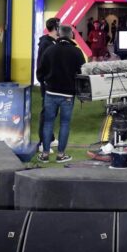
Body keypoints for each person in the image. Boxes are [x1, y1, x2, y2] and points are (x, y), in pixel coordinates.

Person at [35, 24, 85, 163]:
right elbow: (83, 73)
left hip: (50, 92)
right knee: (64, 123)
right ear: (71, 35)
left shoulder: (49, 50)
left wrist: (45, 83)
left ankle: (45, 154)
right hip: (68, 95)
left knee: (48, 123)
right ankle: (61, 155)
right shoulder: (76, 52)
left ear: (59, 34)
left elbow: (40, 72)